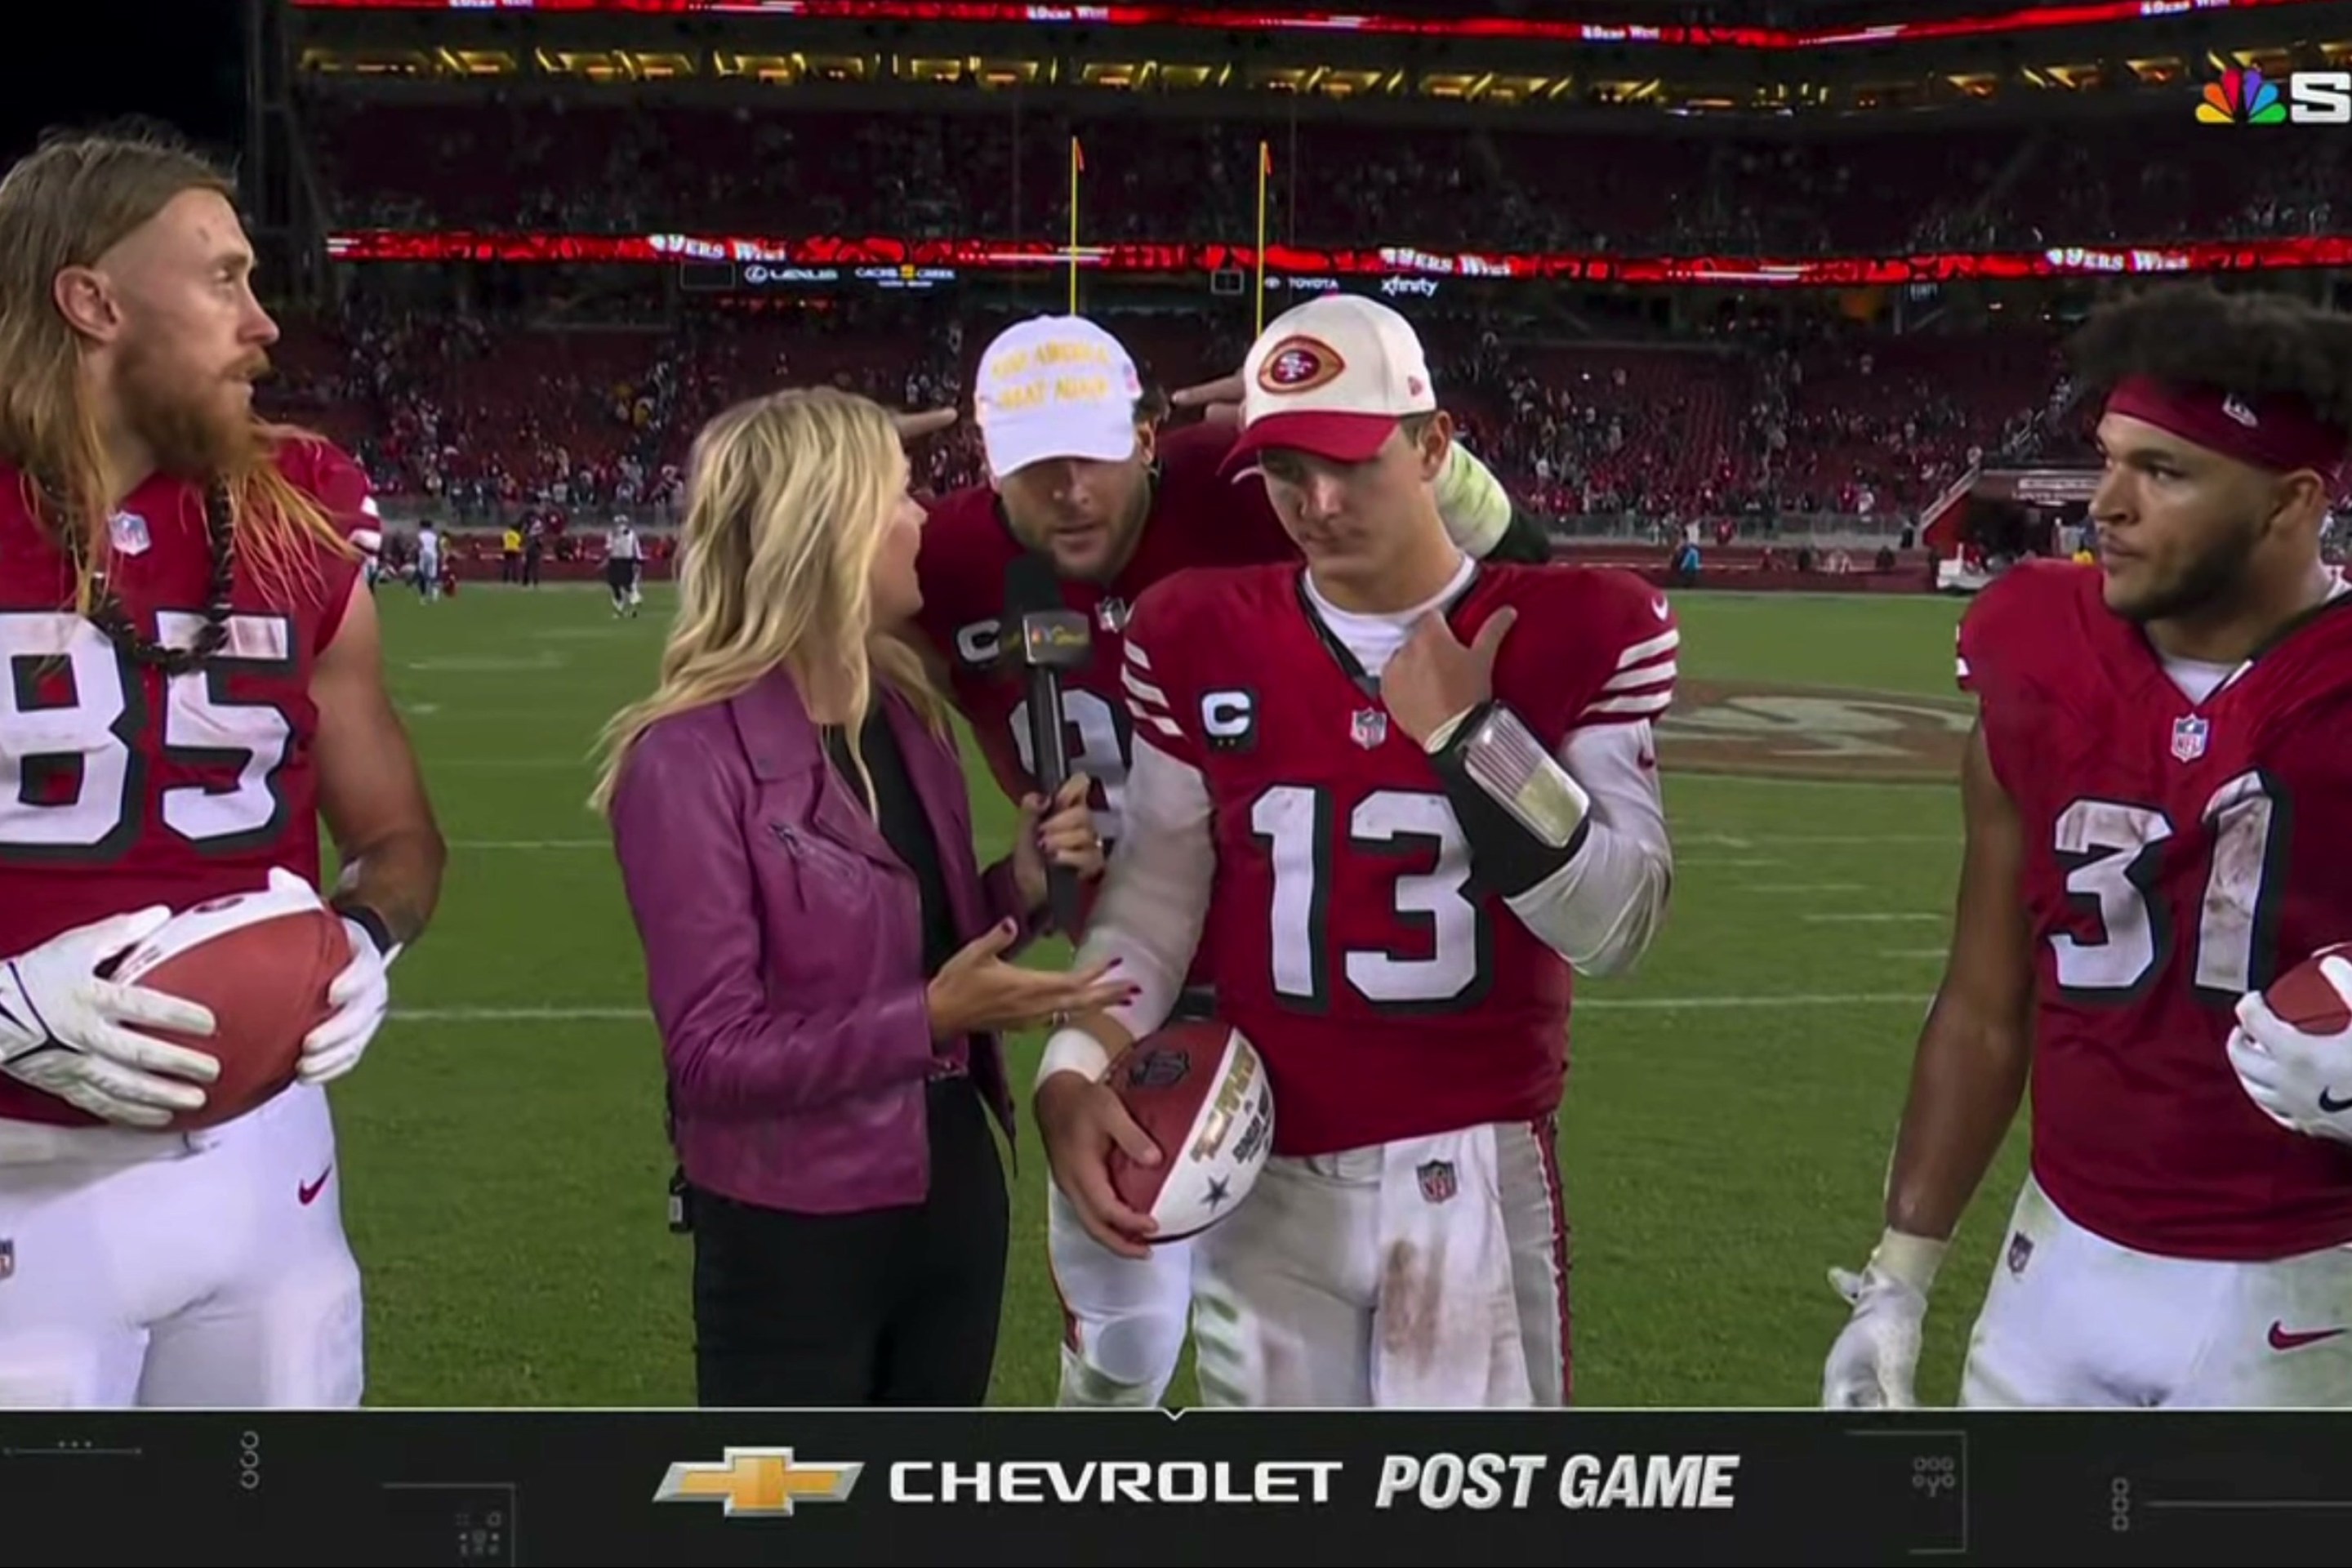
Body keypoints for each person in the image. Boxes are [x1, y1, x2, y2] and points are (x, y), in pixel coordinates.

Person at [1028, 294, 1680, 1407]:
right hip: (1261, 1166)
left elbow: (1617, 925)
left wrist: (1478, 742)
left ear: (1431, 445)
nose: (1317, 505)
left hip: (1471, 1169)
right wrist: (1070, 1074)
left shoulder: (1579, 626)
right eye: (1284, 471)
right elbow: (1157, 903)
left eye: (1349, 464)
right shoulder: (1196, 630)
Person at [910, 311, 1557, 1410]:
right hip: (1125, 970)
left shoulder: (1246, 482)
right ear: (986, 465)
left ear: (1152, 438)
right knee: (1124, 1334)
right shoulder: (955, 554)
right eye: (1036, 463)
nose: (1070, 488)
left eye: (1095, 452)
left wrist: (1385, 435)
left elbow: (1516, 558)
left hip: (1301, 972)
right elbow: (786, 589)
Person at [1821, 283, 2352, 1411]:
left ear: (2290, 501)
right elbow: (1982, 997)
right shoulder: (2036, 647)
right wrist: (1899, 1282)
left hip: (2306, 1290)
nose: (2105, 505)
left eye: (2164, 472)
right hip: (2054, 1272)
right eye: (2108, 457)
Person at [0, 123, 446, 1407]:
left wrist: (363, 937)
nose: (264, 324)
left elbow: (400, 836)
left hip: (268, 1179)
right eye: (222, 278)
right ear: (91, 301)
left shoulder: (299, 506)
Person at [594, 386, 1134, 1408]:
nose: (923, 518)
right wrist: (933, 1018)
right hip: (794, 1230)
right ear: (827, 532)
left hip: (954, 1201)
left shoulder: (907, 716)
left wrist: (1016, 887)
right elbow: (712, 1058)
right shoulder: (685, 759)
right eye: (896, 496)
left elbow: (923, 940)